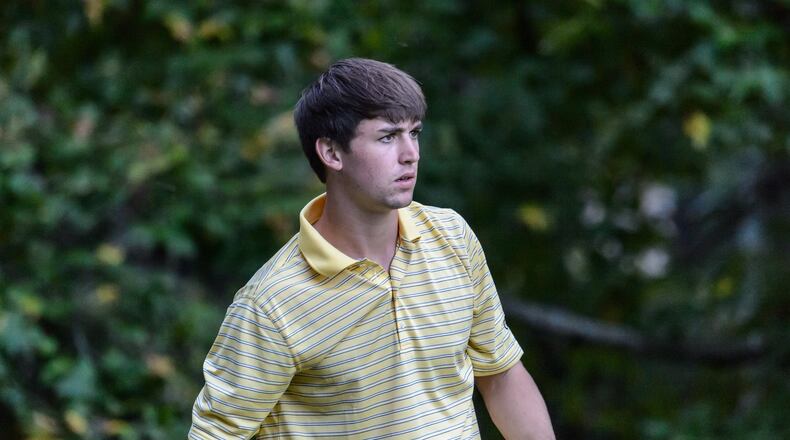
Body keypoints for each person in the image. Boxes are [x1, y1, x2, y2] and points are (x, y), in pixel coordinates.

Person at [189, 58, 555, 439]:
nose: (410, 152)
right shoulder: (272, 302)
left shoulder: (452, 237)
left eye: (414, 133)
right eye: (387, 137)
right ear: (332, 153)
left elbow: (500, 377)